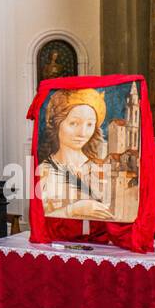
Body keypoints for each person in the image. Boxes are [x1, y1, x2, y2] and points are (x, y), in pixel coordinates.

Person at [36, 89, 113, 220]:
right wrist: (72, 210)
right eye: (74, 123)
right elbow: (40, 219)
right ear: (57, 124)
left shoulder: (100, 167)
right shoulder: (45, 170)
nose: (82, 133)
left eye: (89, 124)